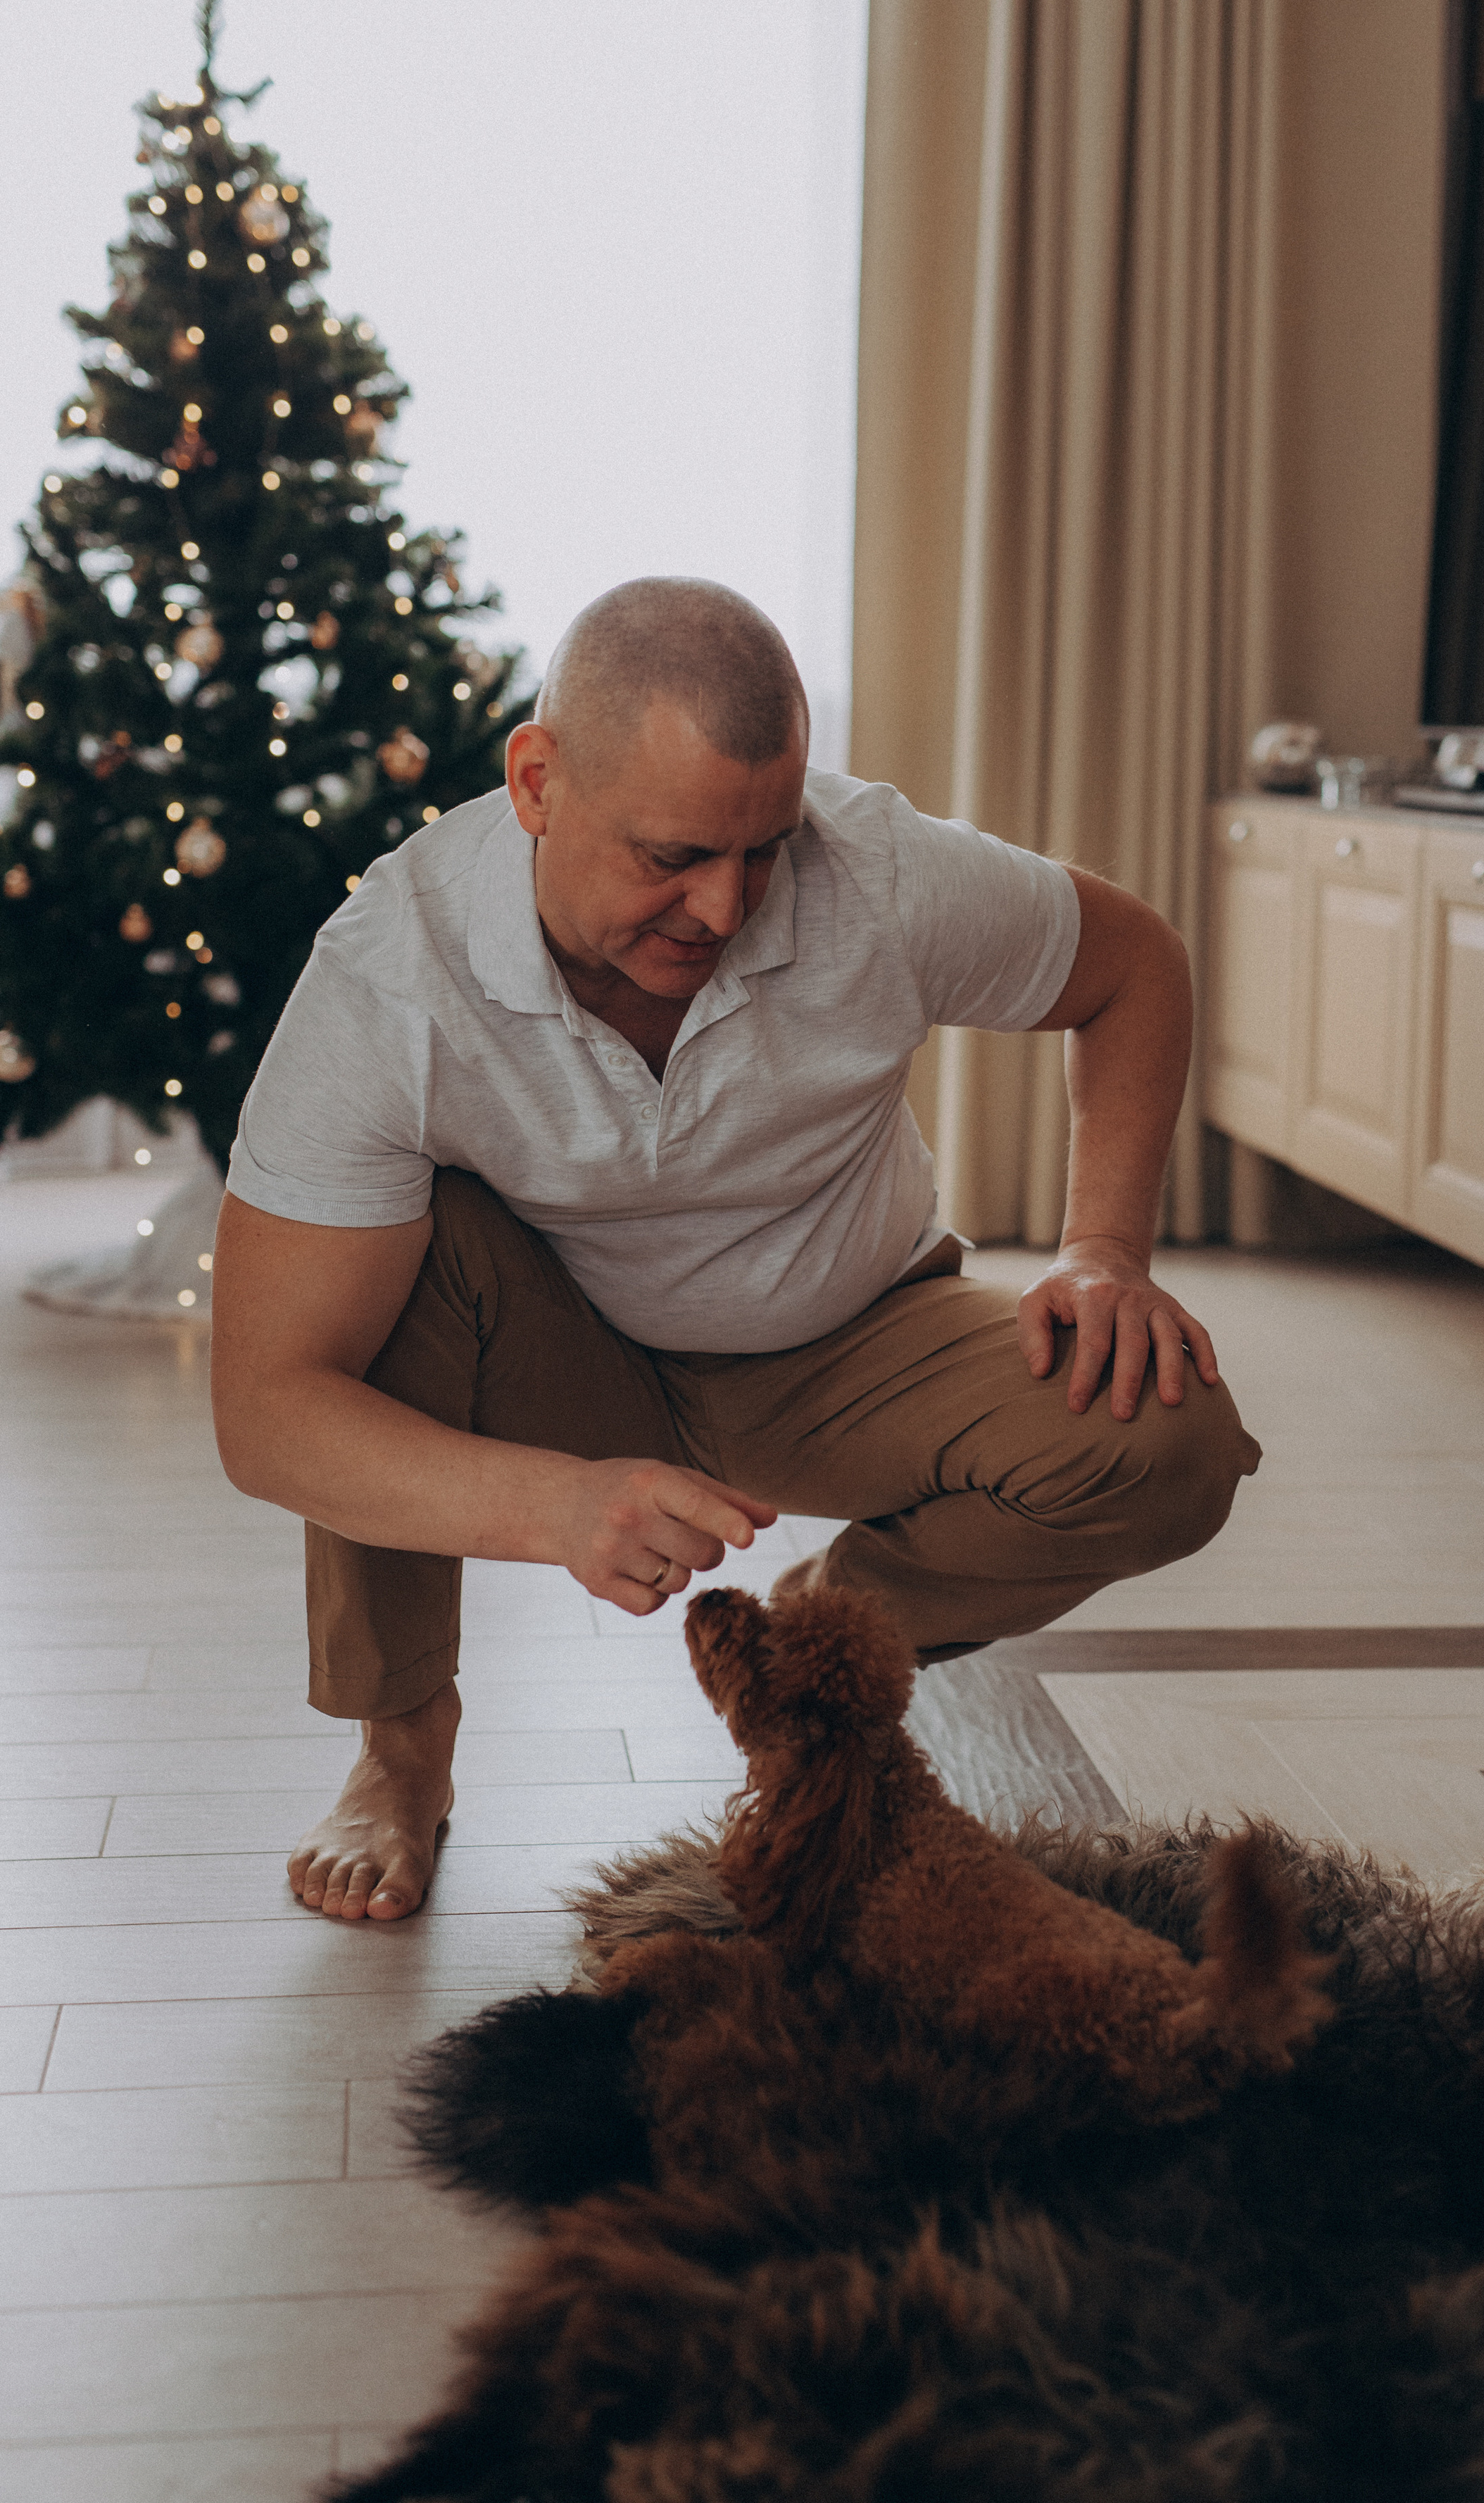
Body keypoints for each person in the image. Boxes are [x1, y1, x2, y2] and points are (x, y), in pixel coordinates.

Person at [210, 578, 1261, 1924]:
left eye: (764, 849)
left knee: (1167, 1437)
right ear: (536, 784)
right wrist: (555, 1506)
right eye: (673, 856)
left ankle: (815, 1639)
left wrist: (1104, 1251)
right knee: (383, 1278)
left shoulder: (878, 873)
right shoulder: (388, 979)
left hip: (855, 1332)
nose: (722, 906)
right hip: (570, 1351)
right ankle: (402, 1752)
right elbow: (270, 1408)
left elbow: (1135, 965)